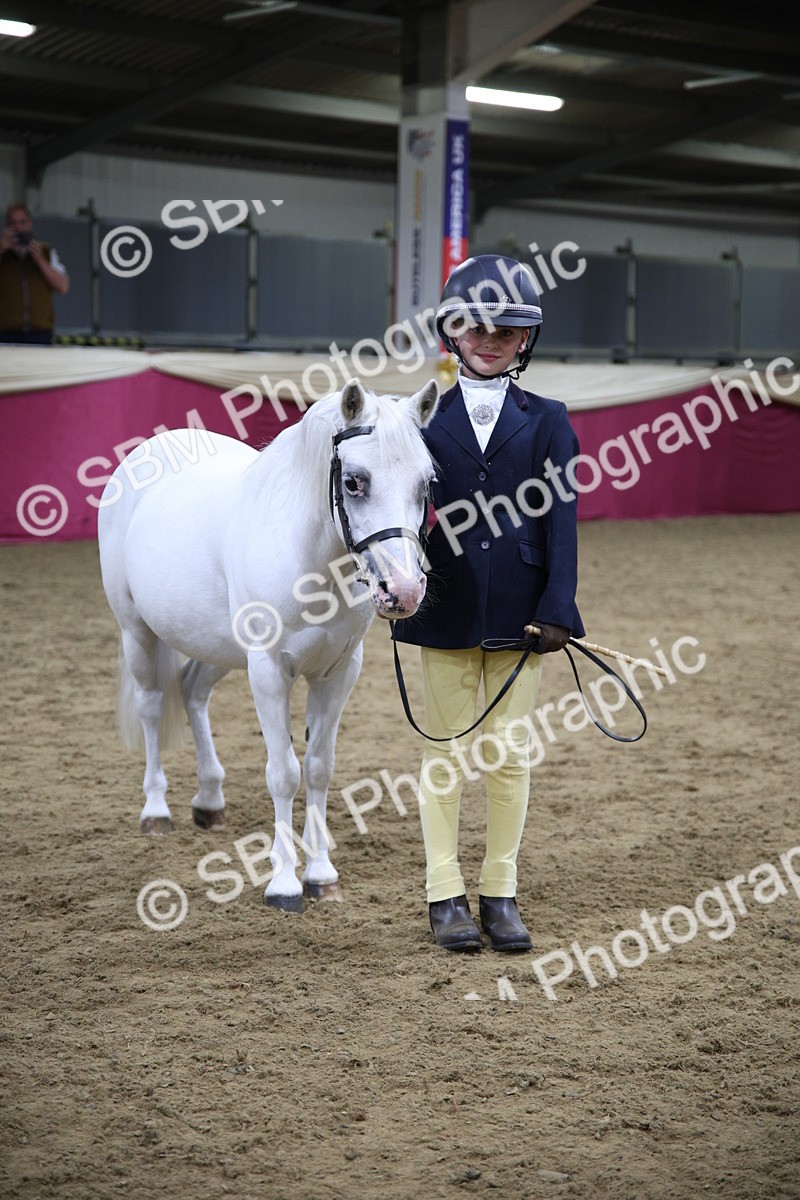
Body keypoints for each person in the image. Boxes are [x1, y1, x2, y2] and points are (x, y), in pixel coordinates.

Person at [394, 253, 585, 953]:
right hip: (442, 608)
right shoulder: (419, 421)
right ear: (451, 331)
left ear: (525, 340)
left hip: (521, 613)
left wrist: (558, 603)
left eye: (507, 330)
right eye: (476, 326)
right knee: (443, 755)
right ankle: (444, 894)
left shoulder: (550, 421)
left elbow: (561, 519)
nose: (492, 338)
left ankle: (500, 892)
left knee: (508, 756)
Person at [0, 203, 69, 344]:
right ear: (6, 226)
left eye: (22, 222)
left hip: (40, 333)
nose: (18, 228)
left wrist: (40, 261)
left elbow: (63, 287)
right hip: (6, 332)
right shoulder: (2, 253)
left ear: (30, 224)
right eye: (13, 223)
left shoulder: (46, 252)